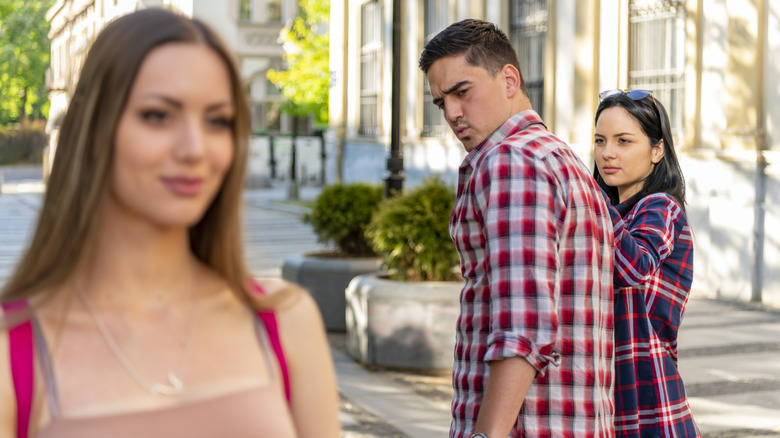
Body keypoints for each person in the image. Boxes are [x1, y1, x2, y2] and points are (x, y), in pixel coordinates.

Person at [0, 8, 340, 438]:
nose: (195, 149)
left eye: (217, 121)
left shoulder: (285, 320)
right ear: (92, 126)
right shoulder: (13, 350)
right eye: (158, 115)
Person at [419, 19, 616, 438]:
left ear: (509, 79)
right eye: (441, 103)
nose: (451, 112)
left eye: (462, 92)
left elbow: (521, 329)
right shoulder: (560, 159)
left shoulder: (512, 162)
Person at [593, 89, 700, 437]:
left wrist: (590, 198)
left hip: (649, 395)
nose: (606, 153)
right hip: (605, 389)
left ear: (657, 150)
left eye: (624, 141)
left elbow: (631, 266)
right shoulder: (606, 215)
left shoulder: (660, 208)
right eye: (600, 140)